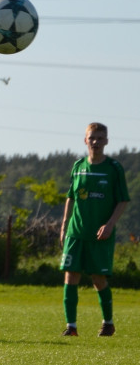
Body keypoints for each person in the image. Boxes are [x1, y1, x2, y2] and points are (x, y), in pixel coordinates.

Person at [59, 122, 129, 337]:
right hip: (76, 233)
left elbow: (123, 200)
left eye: (100, 138)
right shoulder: (78, 166)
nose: (95, 142)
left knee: (98, 279)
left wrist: (110, 225)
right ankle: (71, 327)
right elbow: (71, 197)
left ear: (106, 141)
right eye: (92, 138)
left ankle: (108, 323)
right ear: (85, 140)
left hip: (100, 235)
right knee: (71, 277)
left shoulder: (113, 168)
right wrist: (64, 225)